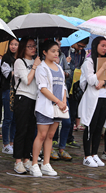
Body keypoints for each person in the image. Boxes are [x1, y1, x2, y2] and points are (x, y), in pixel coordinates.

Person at [30, 40, 67, 177]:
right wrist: (58, 101)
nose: (56, 53)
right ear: (44, 52)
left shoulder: (59, 68)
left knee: (50, 136)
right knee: (42, 135)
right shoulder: (41, 68)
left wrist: (63, 101)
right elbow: (43, 88)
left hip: (58, 107)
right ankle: (35, 164)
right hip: (45, 106)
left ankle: (46, 163)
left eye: (57, 51)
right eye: (53, 51)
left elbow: (63, 86)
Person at [78, 37, 106, 168]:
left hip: (104, 97)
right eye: (102, 45)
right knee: (90, 127)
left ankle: (94, 153)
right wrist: (102, 69)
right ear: (95, 45)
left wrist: (104, 82)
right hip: (92, 98)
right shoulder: (89, 62)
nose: (104, 48)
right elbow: (91, 80)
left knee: (99, 127)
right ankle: (87, 156)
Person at [12, 38, 41, 174]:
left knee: (30, 131)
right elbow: (27, 80)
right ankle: (18, 160)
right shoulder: (19, 62)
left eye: (34, 46)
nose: (33, 48)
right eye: (29, 46)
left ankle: (26, 159)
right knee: (21, 130)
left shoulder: (37, 61)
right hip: (23, 97)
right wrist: (34, 66)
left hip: (34, 99)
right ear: (23, 47)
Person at [52, 37, 74, 160]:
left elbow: (68, 70)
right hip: (51, 95)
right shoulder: (44, 62)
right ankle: (49, 148)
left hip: (63, 93)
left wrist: (65, 73)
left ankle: (62, 148)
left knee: (67, 122)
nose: (59, 43)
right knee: (51, 123)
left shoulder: (62, 57)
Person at [0, 38, 18, 154]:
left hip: (18, 91)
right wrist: (18, 72)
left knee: (15, 119)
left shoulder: (20, 58)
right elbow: (7, 74)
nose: (13, 46)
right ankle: (5, 144)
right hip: (8, 90)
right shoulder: (6, 58)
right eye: (11, 44)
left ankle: (12, 142)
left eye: (16, 44)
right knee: (8, 118)